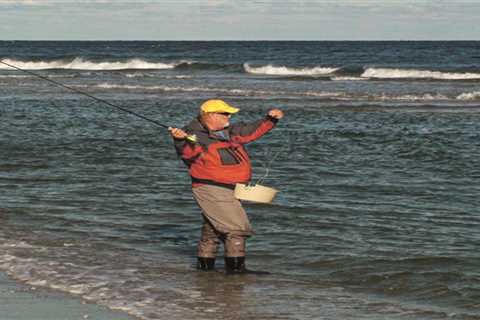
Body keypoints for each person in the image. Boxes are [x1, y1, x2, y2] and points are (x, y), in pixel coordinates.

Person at [169, 99, 284, 274]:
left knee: (213, 231)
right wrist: (179, 140)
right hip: (211, 187)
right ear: (210, 115)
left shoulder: (227, 131)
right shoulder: (193, 135)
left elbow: (250, 132)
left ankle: (205, 272)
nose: (229, 116)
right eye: (225, 113)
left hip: (230, 188)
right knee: (237, 229)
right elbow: (188, 153)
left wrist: (270, 119)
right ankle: (237, 273)